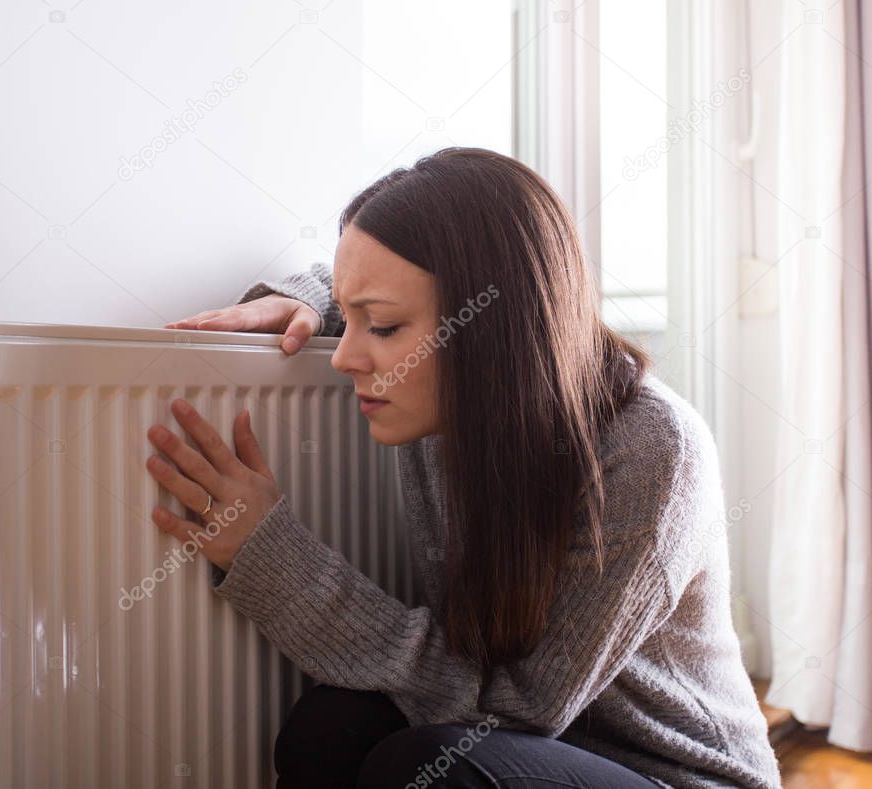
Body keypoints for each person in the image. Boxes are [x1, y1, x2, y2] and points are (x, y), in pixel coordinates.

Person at [147, 147, 782, 788]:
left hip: (681, 777)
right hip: (540, 755)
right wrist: (313, 297)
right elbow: (400, 284)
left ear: (489, 328)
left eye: (385, 327)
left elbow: (519, 712)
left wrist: (275, 560)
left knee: (424, 769)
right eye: (353, 318)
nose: (344, 359)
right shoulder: (455, 397)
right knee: (332, 724)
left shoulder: (651, 450)